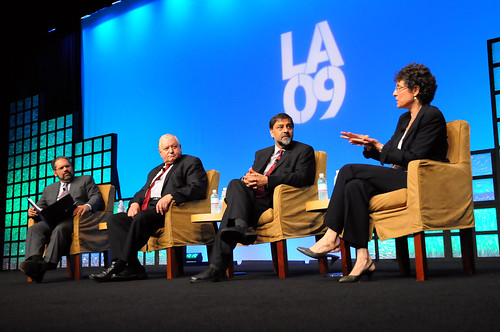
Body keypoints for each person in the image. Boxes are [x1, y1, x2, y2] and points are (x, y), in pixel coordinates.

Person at [297, 63, 448, 282]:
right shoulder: (405, 119)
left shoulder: (432, 116)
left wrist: (381, 148)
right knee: (354, 186)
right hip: (401, 175)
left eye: (399, 88)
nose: (394, 93)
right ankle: (363, 257)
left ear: (416, 90)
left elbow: (415, 158)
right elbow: (392, 153)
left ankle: (331, 235)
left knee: (348, 170)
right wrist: (370, 148)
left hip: (420, 179)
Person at [190, 113, 316, 283]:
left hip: (275, 200)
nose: (286, 131)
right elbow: (253, 174)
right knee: (236, 183)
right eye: (280, 127)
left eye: (289, 127)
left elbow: (304, 178)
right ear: (272, 132)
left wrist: (267, 180)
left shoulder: (304, 150)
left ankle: (217, 267)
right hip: (252, 198)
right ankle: (240, 227)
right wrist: (248, 179)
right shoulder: (262, 153)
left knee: (231, 214)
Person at [90, 134, 207, 282]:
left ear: (180, 147)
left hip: (169, 210)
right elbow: (142, 191)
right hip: (148, 209)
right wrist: (134, 203)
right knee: (116, 220)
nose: (171, 151)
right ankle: (134, 268)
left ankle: (119, 264)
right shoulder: (155, 171)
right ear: (160, 152)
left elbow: (197, 188)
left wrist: (171, 196)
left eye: (174, 147)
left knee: (142, 217)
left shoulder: (191, 162)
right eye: (166, 148)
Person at [20, 156, 104, 282]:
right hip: (52, 220)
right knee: (35, 229)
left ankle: (47, 264)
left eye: (67, 166)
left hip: (74, 219)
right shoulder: (49, 189)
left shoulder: (85, 179)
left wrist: (86, 206)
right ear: (55, 173)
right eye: (61, 168)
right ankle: (36, 263)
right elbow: (39, 206)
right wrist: (31, 211)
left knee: (60, 228)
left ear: (71, 167)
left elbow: (96, 197)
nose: (66, 169)